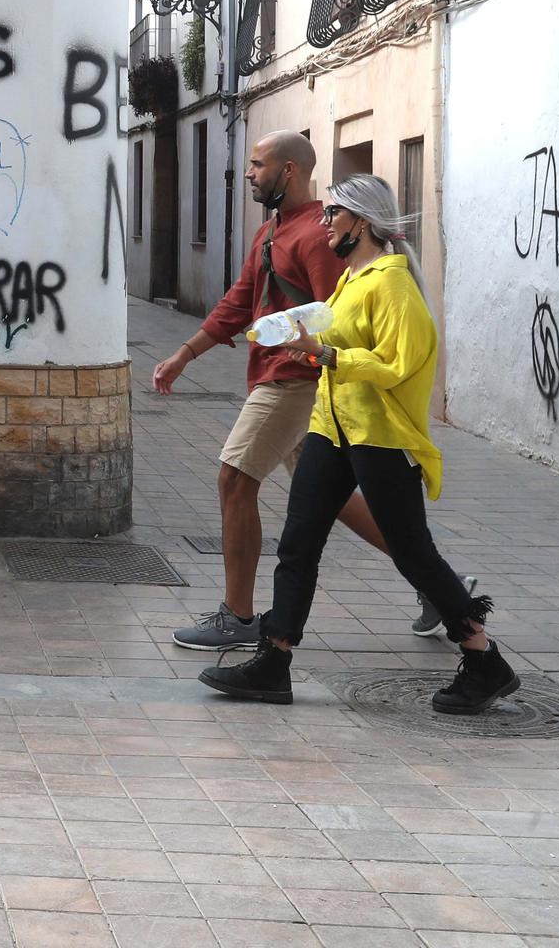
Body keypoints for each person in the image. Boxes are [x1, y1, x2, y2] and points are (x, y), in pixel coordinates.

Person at [200, 174, 516, 711]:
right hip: (332, 425)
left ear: (361, 224)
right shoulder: (351, 280)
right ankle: (274, 662)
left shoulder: (392, 285)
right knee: (298, 541)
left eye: (334, 216)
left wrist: (327, 356)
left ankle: (483, 657)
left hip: (381, 436)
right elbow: (340, 342)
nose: (324, 223)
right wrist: (308, 344)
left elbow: (399, 364)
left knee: (413, 550)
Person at [152, 132, 470, 650]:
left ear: (289, 171)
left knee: (234, 478)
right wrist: (185, 354)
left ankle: (238, 615)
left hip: (297, 382)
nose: (250, 173)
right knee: (332, 500)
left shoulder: (325, 235)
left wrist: (323, 358)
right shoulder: (270, 232)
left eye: (258, 165)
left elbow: (341, 316)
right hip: (295, 382)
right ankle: (441, 586)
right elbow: (239, 301)